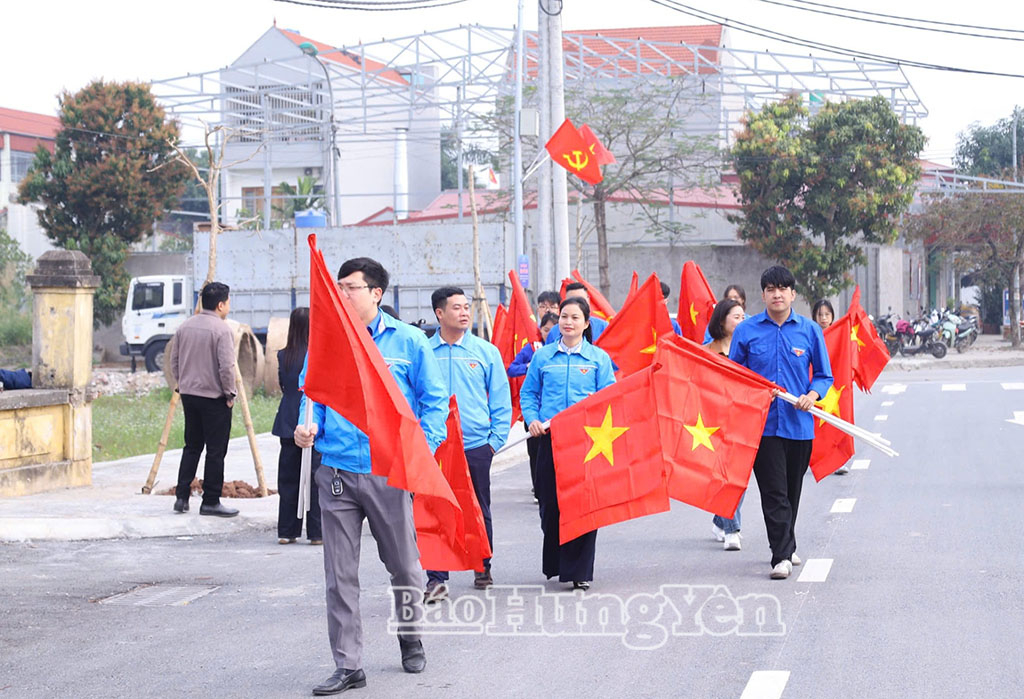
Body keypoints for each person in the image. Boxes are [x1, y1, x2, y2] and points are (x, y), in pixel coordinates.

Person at [294, 257, 447, 693]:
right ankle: (348, 665)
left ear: (376, 293)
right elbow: (312, 397)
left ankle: (410, 636)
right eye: (339, 287)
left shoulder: (409, 341)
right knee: (340, 574)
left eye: (350, 287)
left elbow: (435, 401)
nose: (341, 294)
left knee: (404, 567)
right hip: (337, 471)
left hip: (390, 470)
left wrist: (420, 451)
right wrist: (307, 427)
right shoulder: (327, 343)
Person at [729, 266, 832, 580]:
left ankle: (787, 541)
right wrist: (755, 392)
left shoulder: (809, 330)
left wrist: (811, 395)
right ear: (762, 295)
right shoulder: (746, 332)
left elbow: (824, 375)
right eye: (771, 289)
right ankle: (781, 556)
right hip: (762, 427)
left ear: (793, 294)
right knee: (774, 492)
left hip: (799, 425)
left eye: (783, 289)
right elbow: (734, 376)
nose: (777, 294)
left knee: (791, 490)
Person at [520, 297, 616, 591]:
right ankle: (557, 562)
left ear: (586, 323)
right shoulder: (543, 357)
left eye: (575, 317)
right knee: (550, 504)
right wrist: (532, 419)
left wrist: (595, 408)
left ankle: (579, 570)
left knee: (583, 504)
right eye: (564, 316)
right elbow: (529, 393)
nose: (568, 322)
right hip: (549, 438)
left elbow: (610, 398)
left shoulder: (598, 359)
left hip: (586, 441)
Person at [425, 286, 512, 601]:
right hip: (435, 446)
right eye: (457, 308)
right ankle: (436, 577)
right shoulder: (423, 351)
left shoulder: (485, 352)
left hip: (475, 445)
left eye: (466, 307)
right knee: (435, 511)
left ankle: (481, 564)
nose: (464, 313)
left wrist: (494, 442)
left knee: (477, 509)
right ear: (439, 313)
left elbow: (501, 399)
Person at [169, 281, 239, 518]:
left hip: (189, 395)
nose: (228, 306)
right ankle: (210, 501)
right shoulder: (222, 330)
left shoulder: (185, 326)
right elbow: (226, 367)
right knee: (215, 451)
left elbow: (174, 361)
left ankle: (181, 497)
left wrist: (182, 383)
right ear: (220, 305)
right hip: (214, 398)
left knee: (192, 446)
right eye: (228, 302)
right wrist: (230, 393)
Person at [272, 307, 322, 545]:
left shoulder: (284, 355)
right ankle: (317, 533)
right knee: (316, 478)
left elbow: (283, 385)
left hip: (288, 419)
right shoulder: (318, 354)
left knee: (288, 478)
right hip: (312, 419)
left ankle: (286, 531)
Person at [704, 298, 747, 551]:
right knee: (726, 475)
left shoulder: (749, 348)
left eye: (743, 317)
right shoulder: (707, 352)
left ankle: (721, 519)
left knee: (739, 476)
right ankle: (732, 530)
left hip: (743, 420)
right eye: (736, 317)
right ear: (722, 321)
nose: (742, 321)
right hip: (714, 423)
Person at [508, 312, 558, 498]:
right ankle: (538, 490)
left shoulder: (565, 352)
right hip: (535, 414)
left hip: (556, 415)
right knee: (536, 453)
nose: (549, 333)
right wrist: (528, 366)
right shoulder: (532, 350)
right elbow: (512, 369)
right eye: (546, 330)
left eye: (553, 330)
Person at [811, 299, 848, 475]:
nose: (824, 318)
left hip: (836, 387)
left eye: (827, 314)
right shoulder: (811, 334)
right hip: (815, 388)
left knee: (837, 424)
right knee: (816, 425)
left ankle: (839, 460)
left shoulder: (840, 335)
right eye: (820, 314)